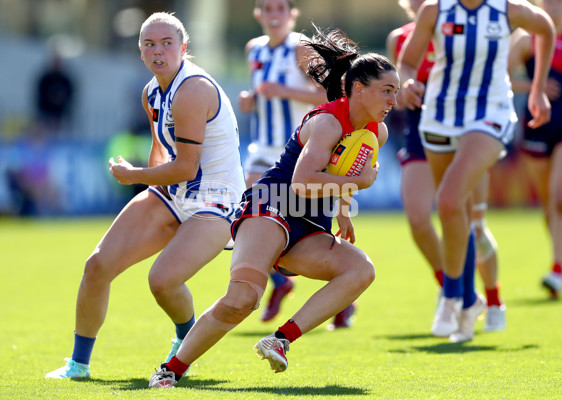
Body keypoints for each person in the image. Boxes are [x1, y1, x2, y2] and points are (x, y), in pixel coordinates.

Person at [148, 27, 399, 388]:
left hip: (310, 221)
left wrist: (343, 209)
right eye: (387, 91)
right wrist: (355, 186)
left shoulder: (378, 132)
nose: (393, 100)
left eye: (396, 92)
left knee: (361, 269)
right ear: (359, 89)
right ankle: (170, 370)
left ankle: (279, 340)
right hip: (272, 205)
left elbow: (346, 169)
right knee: (242, 300)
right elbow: (302, 181)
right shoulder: (327, 121)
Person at [45, 12, 246, 379]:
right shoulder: (151, 91)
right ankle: (78, 365)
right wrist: (148, 178)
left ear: (184, 48)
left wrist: (134, 175)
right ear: (140, 52)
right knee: (97, 266)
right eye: (149, 44)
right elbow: (160, 150)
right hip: (172, 192)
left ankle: (185, 341)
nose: (158, 52)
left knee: (162, 280)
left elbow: (186, 167)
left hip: (216, 201)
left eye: (167, 43)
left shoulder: (193, 89)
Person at [398, 0, 554, 342]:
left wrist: (538, 89)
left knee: (452, 201)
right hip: (439, 115)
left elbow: (545, 28)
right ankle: (469, 303)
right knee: (454, 213)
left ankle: (452, 296)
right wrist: (407, 83)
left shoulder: (508, 9)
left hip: (490, 114)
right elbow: (408, 63)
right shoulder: (434, 10)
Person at [387, 0, 505, 332]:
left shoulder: (469, 27)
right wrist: (404, 90)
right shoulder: (399, 39)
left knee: (473, 225)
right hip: (421, 131)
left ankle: (490, 300)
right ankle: (454, 290)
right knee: (418, 218)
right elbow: (395, 84)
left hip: (467, 132)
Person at [238, 0, 335, 325]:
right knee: (250, 214)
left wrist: (283, 90)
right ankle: (281, 281)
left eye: (280, 7)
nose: (274, 13)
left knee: (303, 227)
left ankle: (338, 293)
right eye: (267, 8)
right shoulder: (255, 49)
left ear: (291, 14)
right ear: (258, 15)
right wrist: (251, 100)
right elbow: (261, 92)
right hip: (263, 147)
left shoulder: (301, 50)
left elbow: (328, 96)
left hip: (297, 150)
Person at [508, 0, 562, 299]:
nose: (555, 4)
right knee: (549, 204)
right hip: (535, 127)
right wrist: (534, 86)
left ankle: (557, 268)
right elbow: (501, 76)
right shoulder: (525, 39)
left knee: (559, 197)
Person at [35, 50, 75, 134]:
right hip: (46, 114)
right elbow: (40, 95)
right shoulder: (46, 79)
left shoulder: (65, 80)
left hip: (60, 115)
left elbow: (70, 95)